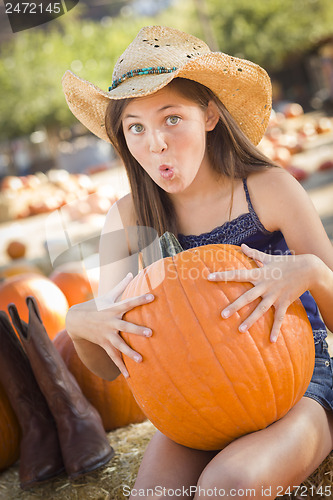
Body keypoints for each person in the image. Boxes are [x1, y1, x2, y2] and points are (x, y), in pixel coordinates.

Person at [62, 26, 333, 499]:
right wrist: (80, 322)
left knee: (229, 486)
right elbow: (108, 369)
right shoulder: (128, 220)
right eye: (136, 127)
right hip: (196, 402)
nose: (156, 144)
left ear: (209, 115)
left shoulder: (268, 190)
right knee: (152, 495)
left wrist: (310, 272)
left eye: (172, 119)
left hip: (299, 387)